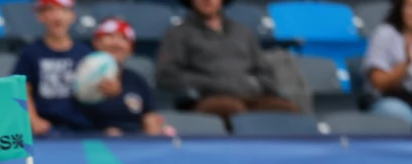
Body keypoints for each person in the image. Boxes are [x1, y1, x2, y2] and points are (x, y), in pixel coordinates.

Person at [156, 0, 299, 126]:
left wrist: (255, 84)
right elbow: (167, 74)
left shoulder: (242, 31)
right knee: (231, 110)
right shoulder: (178, 34)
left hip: (251, 96)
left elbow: (264, 71)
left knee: (287, 111)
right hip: (209, 98)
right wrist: (209, 84)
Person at [12, 0, 93, 136]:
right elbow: (22, 90)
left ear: (72, 16)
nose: (57, 16)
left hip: (81, 127)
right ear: (40, 16)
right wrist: (34, 120)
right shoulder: (30, 53)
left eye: (63, 10)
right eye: (50, 10)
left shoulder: (84, 53)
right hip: (44, 130)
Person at [79, 18, 165, 137]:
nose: (116, 43)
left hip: (133, 146)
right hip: (88, 145)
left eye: (123, 39)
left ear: (131, 49)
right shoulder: (81, 75)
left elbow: (151, 122)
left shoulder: (138, 81)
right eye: (110, 36)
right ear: (96, 42)